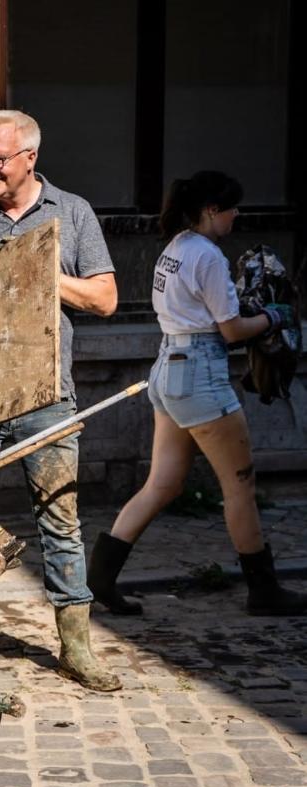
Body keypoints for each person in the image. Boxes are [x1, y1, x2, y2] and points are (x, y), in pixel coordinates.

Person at [0, 109, 121, 691]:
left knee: (60, 522)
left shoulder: (73, 213)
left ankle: (75, 647)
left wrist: (36, 269)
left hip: (48, 398)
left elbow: (106, 298)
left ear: (29, 158)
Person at [89, 171, 307, 618]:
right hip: (202, 375)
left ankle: (101, 578)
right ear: (211, 210)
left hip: (168, 371)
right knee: (240, 486)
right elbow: (230, 331)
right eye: (230, 208)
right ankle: (263, 590)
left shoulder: (175, 248)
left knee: (163, 484)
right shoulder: (207, 256)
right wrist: (273, 317)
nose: (236, 216)